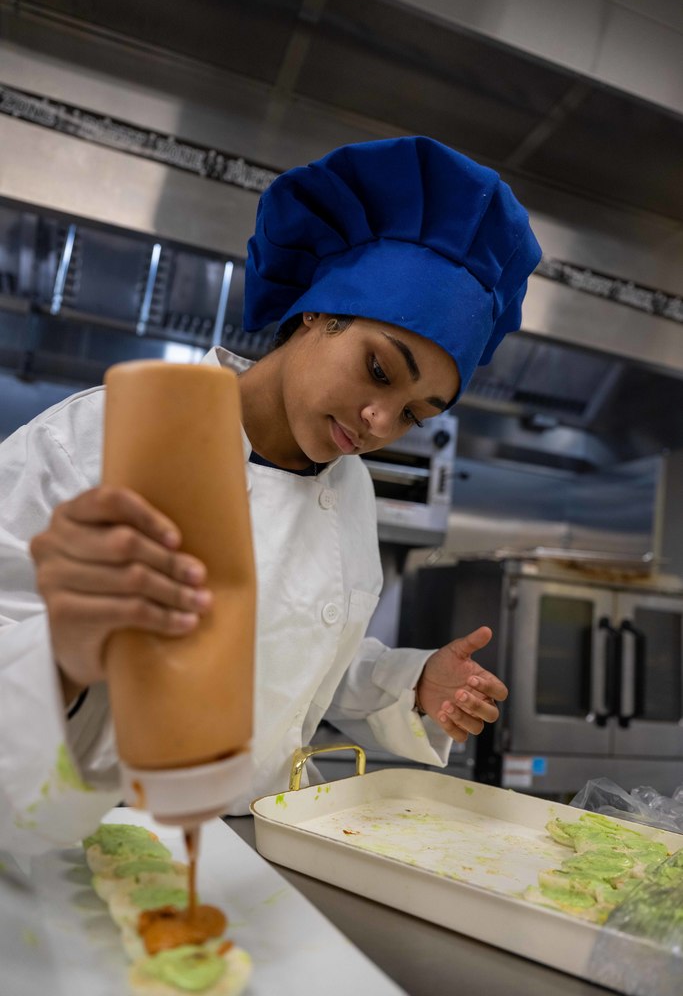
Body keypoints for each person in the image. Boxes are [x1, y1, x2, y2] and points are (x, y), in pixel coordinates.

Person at [0, 136, 542, 853]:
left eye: (414, 415)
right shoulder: (101, 438)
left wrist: (412, 683)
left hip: (251, 850)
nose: (380, 424)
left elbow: (296, 656)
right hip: (74, 844)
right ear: (319, 311)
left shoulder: (349, 490)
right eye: (379, 371)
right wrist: (69, 648)